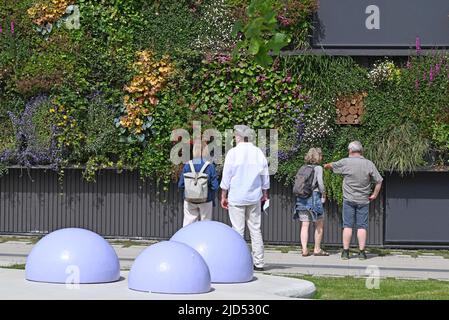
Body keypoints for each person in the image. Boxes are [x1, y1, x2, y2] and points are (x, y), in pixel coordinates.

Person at [220, 125, 270, 271]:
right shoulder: (258, 152)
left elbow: (226, 176)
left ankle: (238, 262)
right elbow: (265, 176)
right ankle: (259, 262)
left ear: (239, 137)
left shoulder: (233, 153)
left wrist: (224, 195)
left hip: (236, 196)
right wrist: (265, 193)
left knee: (237, 230)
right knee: (255, 229)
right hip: (254, 196)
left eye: (235, 135)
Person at [324, 141, 383, 260]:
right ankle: (361, 253)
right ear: (361, 151)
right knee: (362, 226)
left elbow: (332, 165)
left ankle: (345, 252)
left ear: (350, 150)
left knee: (348, 226)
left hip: (348, 200)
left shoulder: (346, 162)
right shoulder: (369, 164)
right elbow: (379, 180)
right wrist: (374, 194)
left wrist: (326, 165)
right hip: (363, 200)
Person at [293, 148, 329, 257]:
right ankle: (317, 249)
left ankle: (304, 250)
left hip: (302, 198)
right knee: (319, 224)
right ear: (318, 157)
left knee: (304, 225)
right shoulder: (318, 168)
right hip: (314, 198)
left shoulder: (302, 168)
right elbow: (321, 183)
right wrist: (324, 193)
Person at [178, 142, 219, 227]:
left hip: (189, 199)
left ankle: (186, 240)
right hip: (206, 199)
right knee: (206, 224)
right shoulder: (210, 166)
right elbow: (215, 186)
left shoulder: (187, 165)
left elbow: (181, 185)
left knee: (188, 224)